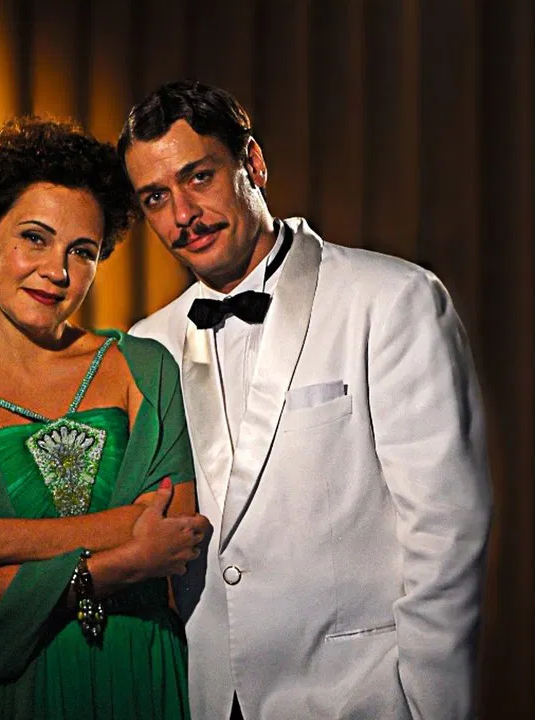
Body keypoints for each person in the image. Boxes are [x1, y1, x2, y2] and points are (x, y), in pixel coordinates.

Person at [119, 80, 492, 720]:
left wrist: (436, 709)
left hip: (363, 699)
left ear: (253, 163)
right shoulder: (148, 344)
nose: (183, 214)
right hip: (209, 701)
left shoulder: (391, 299)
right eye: (157, 197)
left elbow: (448, 532)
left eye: (199, 177)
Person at [0, 116, 212, 719]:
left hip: (139, 678)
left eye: (82, 251)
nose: (58, 272)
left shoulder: (143, 368)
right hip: (9, 697)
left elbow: (174, 526)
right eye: (35, 238)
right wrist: (123, 562)